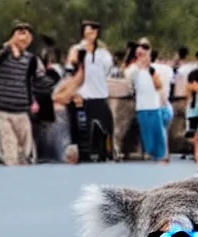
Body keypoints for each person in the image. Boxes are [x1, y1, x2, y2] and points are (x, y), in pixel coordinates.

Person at [0, 21, 41, 166]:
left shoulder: (31, 59)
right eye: (20, 34)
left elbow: (28, 81)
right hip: (3, 108)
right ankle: (12, 175)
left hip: (22, 108)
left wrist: (32, 100)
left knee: (25, 148)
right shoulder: (3, 54)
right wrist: (10, 46)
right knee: (9, 146)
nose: (23, 39)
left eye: (27, 36)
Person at [66, 20, 114, 161]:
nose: (90, 34)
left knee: (105, 130)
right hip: (83, 97)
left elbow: (107, 71)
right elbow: (70, 72)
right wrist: (74, 93)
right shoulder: (76, 50)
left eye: (93, 31)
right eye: (87, 31)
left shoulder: (103, 53)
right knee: (83, 133)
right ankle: (83, 157)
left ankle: (104, 156)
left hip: (100, 95)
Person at [124, 38, 167, 163]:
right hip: (142, 107)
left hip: (155, 106)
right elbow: (128, 81)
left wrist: (149, 69)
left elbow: (159, 86)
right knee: (147, 136)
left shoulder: (153, 69)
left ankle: (160, 158)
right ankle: (149, 157)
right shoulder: (133, 70)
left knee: (158, 135)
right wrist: (139, 66)